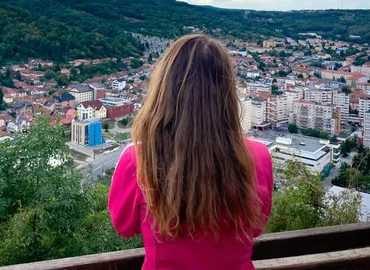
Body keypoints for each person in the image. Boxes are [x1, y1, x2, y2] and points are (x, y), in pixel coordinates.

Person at [108, 34, 273, 270]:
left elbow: (123, 226)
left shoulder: (139, 159)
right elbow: (255, 227)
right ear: (226, 90)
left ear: (163, 88)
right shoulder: (258, 156)